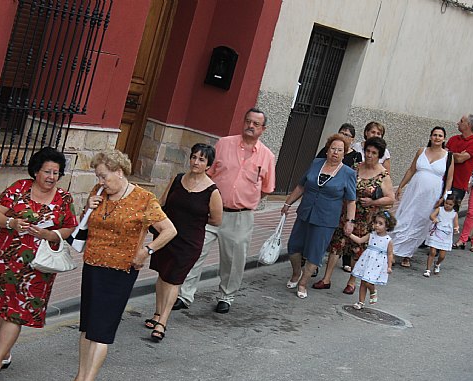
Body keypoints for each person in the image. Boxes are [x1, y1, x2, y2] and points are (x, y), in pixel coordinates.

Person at [59, 150, 176, 381]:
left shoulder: (144, 199)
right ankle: (78, 379)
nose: (101, 181)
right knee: (87, 326)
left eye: (104, 176)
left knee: (102, 329)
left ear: (119, 172)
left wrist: (147, 250)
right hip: (92, 266)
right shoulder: (98, 193)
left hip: (120, 271)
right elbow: (84, 228)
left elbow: (169, 230)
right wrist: (87, 208)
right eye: (98, 176)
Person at [0, 147, 79, 381]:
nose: (51, 177)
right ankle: (4, 352)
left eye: (56, 173)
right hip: (5, 258)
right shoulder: (19, 188)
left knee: (17, 311)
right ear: (36, 171)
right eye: (47, 171)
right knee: (3, 308)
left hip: (38, 266)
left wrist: (49, 234)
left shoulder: (64, 198)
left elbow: (70, 227)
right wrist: (11, 222)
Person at [172, 108, 276, 314]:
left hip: (240, 217)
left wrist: (245, 201)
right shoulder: (224, 144)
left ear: (263, 129)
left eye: (256, 124)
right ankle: (185, 295)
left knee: (234, 261)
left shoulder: (267, 156)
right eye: (248, 121)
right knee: (196, 252)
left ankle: (226, 296)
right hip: (210, 212)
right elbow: (208, 173)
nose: (251, 126)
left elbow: (266, 189)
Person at [145, 144, 223, 341]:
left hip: (189, 242)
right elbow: (162, 203)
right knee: (163, 275)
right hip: (166, 236)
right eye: (194, 157)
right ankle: (157, 313)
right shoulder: (178, 179)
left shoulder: (212, 191)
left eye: (202, 159)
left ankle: (162, 322)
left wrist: (193, 221)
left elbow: (216, 219)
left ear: (208, 165)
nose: (196, 162)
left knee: (174, 279)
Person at [312, 137, 395, 294]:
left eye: (374, 153)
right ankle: (326, 278)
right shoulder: (356, 168)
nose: (370, 155)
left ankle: (352, 281)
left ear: (379, 155)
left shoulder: (383, 175)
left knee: (358, 249)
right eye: (368, 151)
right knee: (337, 245)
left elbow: (391, 198)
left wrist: (372, 202)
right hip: (346, 213)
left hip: (366, 218)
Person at [281, 134, 356, 299]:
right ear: (327, 150)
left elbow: (351, 201)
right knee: (293, 247)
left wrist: (350, 221)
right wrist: (288, 203)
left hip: (326, 219)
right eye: (333, 149)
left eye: (340, 150)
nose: (335, 152)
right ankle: (296, 273)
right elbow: (301, 186)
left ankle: (302, 283)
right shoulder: (316, 163)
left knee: (315, 253)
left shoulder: (348, 173)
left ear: (344, 154)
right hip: (305, 213)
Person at [391, 127, 454, 267]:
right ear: (430, 137)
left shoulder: (448, 157)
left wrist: (444, 197)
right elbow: (412, 169)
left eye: (440, 135)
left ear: (444, 138)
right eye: (435, 135)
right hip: (414, 191)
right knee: (404, 219)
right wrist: (401, 186)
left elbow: (449, 179)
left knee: (421, 224)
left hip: (432, 195)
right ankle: (393, 251)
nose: (437, 138)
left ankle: (408, 254)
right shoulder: (421, 151)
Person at [316, 123, 362, 274]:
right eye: (341, 133)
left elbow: (356, 176)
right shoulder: (327, 151)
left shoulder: (355, 156)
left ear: (352, 139)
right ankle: (314, 262)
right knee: (321, 234)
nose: (343, 136)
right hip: (325, 197)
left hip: (343, 199)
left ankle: (342, 263)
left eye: (347, 135)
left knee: (340, 235)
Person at [349, 210, 396, 310]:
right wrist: (349, 234)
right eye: (376, 222)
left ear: (387, 226)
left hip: (377, 263)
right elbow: (360, 240)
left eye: (380, 223)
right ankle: (360, 302)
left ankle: (373, 290)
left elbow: (390, 254)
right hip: (367, 260)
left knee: (368, 282)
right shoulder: (371, 235)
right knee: (363, 281)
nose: (377, 225)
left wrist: (389, 266)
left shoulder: (388, 240)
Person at [446, 114, 473, 212]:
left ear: (468, 125)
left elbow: (460, 159)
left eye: (461, 121)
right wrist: (456, 155)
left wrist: (450, 154)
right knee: (437, 209)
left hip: (458, 185)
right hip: (444, 180)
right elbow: (443, 156)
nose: (458, 123)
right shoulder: (453, 139)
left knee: (450, 213)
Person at [423, 195, 459, 277]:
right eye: (446, 203)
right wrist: (434, 218)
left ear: (454, 205)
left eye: (450, 205)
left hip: (446, 235)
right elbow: (431, 215)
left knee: (442, 255)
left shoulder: (454, 214)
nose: (447, 206)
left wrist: (456, 228)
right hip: (436, 231)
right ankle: (428, 269)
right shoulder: (440, 209)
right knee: (432, 252)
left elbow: (456, 224)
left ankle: (438, 263)